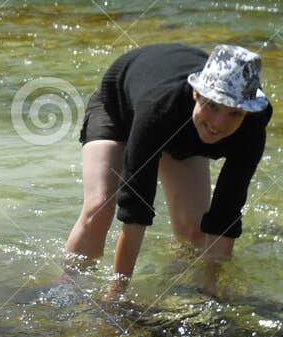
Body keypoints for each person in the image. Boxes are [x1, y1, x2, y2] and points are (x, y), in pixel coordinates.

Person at [64, 42, 271, 295]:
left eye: (234, 113)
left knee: (192, 232)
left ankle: (182, 289)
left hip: (179, 127)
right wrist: (117, 293)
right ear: (197, 93)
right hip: (118, 106)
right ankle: (69, 291)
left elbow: (226, 212)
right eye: (213, 105)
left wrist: (212, 292)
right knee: (99, 206)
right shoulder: (159, 110)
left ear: (247, 112)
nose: (218, 124)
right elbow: (135, 209)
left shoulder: (253, 125)